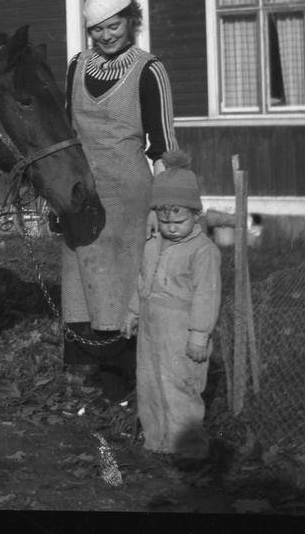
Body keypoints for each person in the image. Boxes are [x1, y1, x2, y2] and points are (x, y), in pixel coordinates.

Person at [59, 0, 177, 404]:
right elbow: (63, 134)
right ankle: (83, 377)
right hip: (81, 195)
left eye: (114, 25)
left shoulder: (149, 70)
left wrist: (163, 205)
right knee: (80, 280)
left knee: (123, 286)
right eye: (97, 29)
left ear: (131, 21)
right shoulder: (76, 66)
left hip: (129, 199)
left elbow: (164, 147)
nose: (107, 35)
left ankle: (120, 384)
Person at [123, 149, 221, 463]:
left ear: (195, 215)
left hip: (181, 332)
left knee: (180, 387)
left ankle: (190, 451)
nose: (172, 227)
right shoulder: (152, 245)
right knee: (150, 384)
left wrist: (198, 337)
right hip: (151, 329)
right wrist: (133, 312)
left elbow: (207, 296)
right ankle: (157, 442)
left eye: (179, 221)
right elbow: (142, 282)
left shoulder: (203, 251)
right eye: (165, 221)